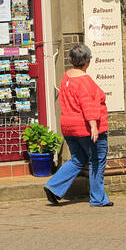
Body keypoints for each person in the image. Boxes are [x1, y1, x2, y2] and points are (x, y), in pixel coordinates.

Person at [43, 43, 112, 207]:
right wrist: (94, 127)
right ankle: (98, 199)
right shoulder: (85, 81)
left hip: (69, 127)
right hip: (86, 128)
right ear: (87, 61)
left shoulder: (66, 77)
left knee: (78, 159)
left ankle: (53, 186)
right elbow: (88, 105)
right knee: (97, 160)